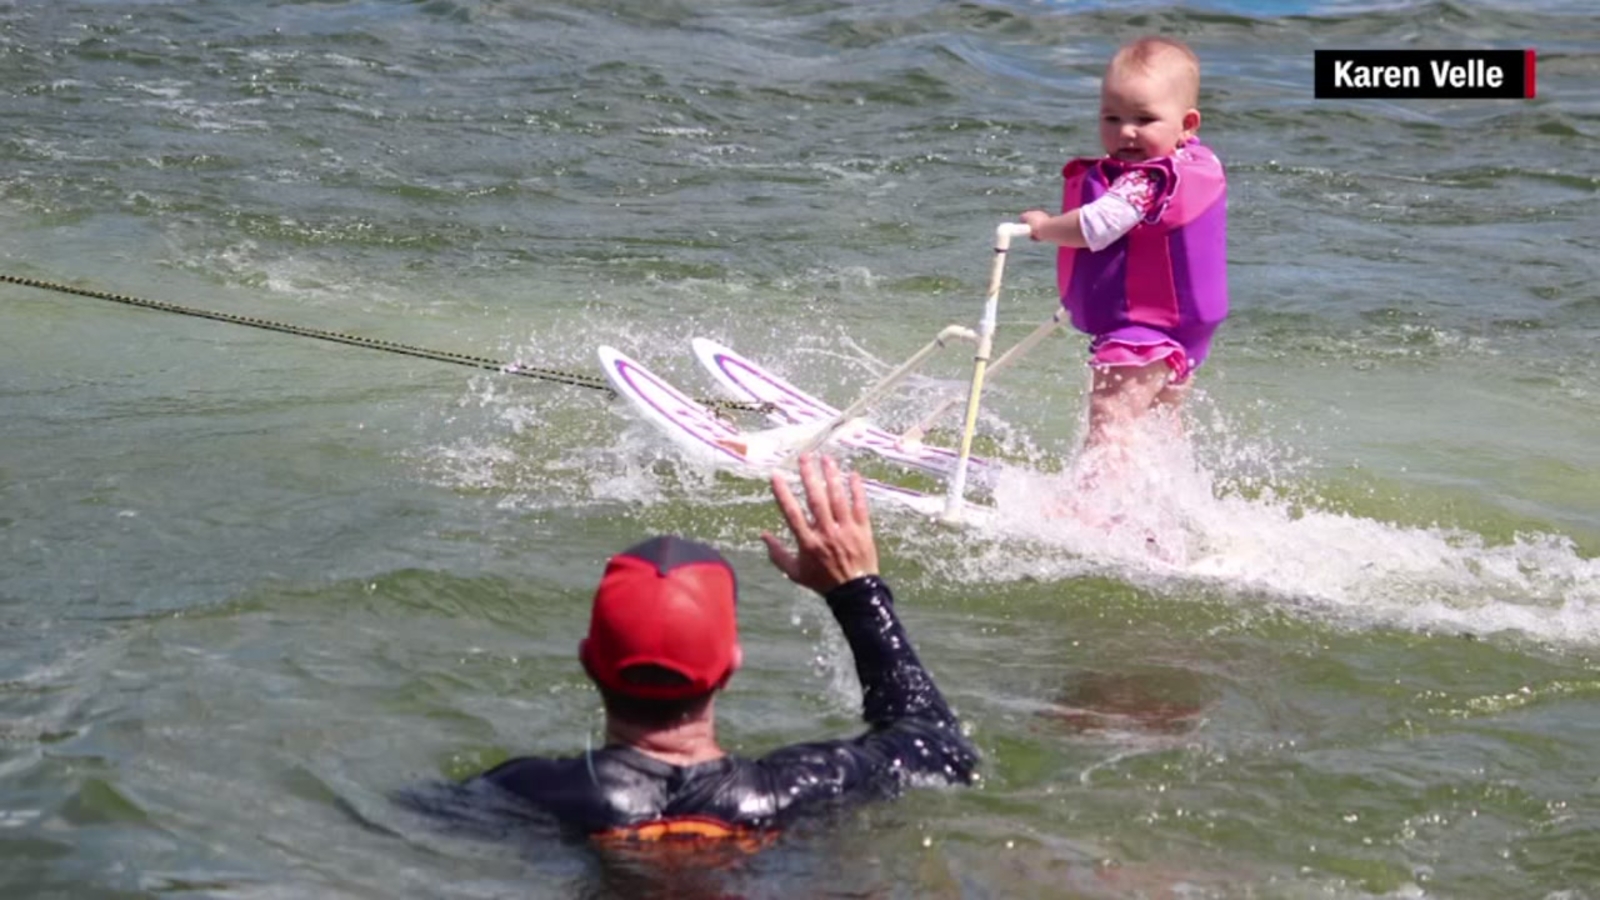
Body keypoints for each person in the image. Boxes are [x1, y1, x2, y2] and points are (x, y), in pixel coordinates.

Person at [399, 454, 977, 848]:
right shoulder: (798, 790)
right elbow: (941, 745)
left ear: (589, 662)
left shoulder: (525, 795)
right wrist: (857, 594)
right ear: (730, 664)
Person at [1020, 36, 1228, 453]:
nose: (1126, 132)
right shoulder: (1194, 163)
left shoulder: (1145, 181)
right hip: (1183, 331)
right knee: (1159, 423)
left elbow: (1096, 225)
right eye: (1111, 118)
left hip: (1140, 330)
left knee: (1110, 416)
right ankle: (1163, 500)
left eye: (1144, 119)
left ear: (1188, 124)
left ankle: (1094, 509)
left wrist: (1044, 227)